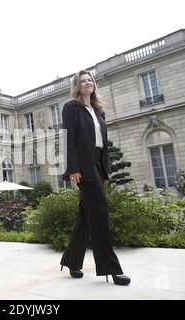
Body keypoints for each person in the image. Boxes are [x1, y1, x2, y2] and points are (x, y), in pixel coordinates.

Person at [59, 70, 131, 286]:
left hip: (98, 167)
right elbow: (68, 138)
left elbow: (103, 145)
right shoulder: (71, 107)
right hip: (84, 166)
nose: (87, 83)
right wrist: (73, 168)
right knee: (100, 214)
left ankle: (72, 261)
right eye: (83, 81)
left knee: (85, 217)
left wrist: (105, 172)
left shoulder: (99, 111)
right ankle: (112, 268)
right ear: (77, 86)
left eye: (90, 80)